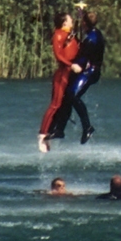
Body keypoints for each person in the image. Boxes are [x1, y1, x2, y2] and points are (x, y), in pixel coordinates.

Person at [50, 8, 107, 144]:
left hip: (90, 72)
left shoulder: (92, 39)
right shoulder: (92, 34)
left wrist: (71, 63)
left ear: (85, 24)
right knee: (67, 96)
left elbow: (82, 57)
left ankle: (87, 127)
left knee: (73, 95)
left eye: (82, 22)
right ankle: (59, 129)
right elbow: (83, 49)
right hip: (88, 70)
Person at [37, 12, 82, 153]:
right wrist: (71, 65)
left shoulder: (70, 34)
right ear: (64, 23)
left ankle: (54, 131)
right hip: (63, 74)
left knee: (65, 105)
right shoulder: (58, 35)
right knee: (55, 104)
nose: (72, 21)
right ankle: (42, 134)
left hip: (70, 74)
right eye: (70, 20)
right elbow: (58, 55)